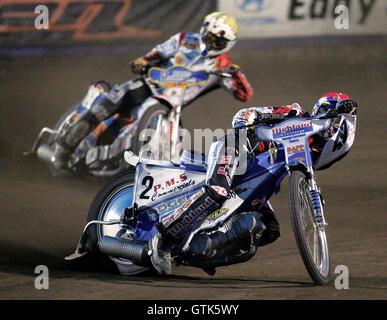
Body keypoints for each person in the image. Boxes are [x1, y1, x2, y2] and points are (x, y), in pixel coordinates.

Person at [149, 92, 358, 274]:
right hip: (236, 146)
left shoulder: (312, 152)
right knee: (218, 190)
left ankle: (204, 249)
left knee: (268, 229)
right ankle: (163, 239)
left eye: (338, 126)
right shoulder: (296, 114)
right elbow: (252, 113)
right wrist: (249, 119)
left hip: (253, 178)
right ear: (321, 111)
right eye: (333, 120)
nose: (332, 129)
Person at [52, 12, 253, 169]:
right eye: (209, 37)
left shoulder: (222, 65)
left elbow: (243, 94)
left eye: (218, 41)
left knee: (162, 141)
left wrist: (234, 75)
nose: (212, 43)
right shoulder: (185, 39)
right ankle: (63, 150)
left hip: (170, 105)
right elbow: (159, 51)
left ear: (227, 45)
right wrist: (143, 61)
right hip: (148, 84)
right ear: (204, 30)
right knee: (108, 105)